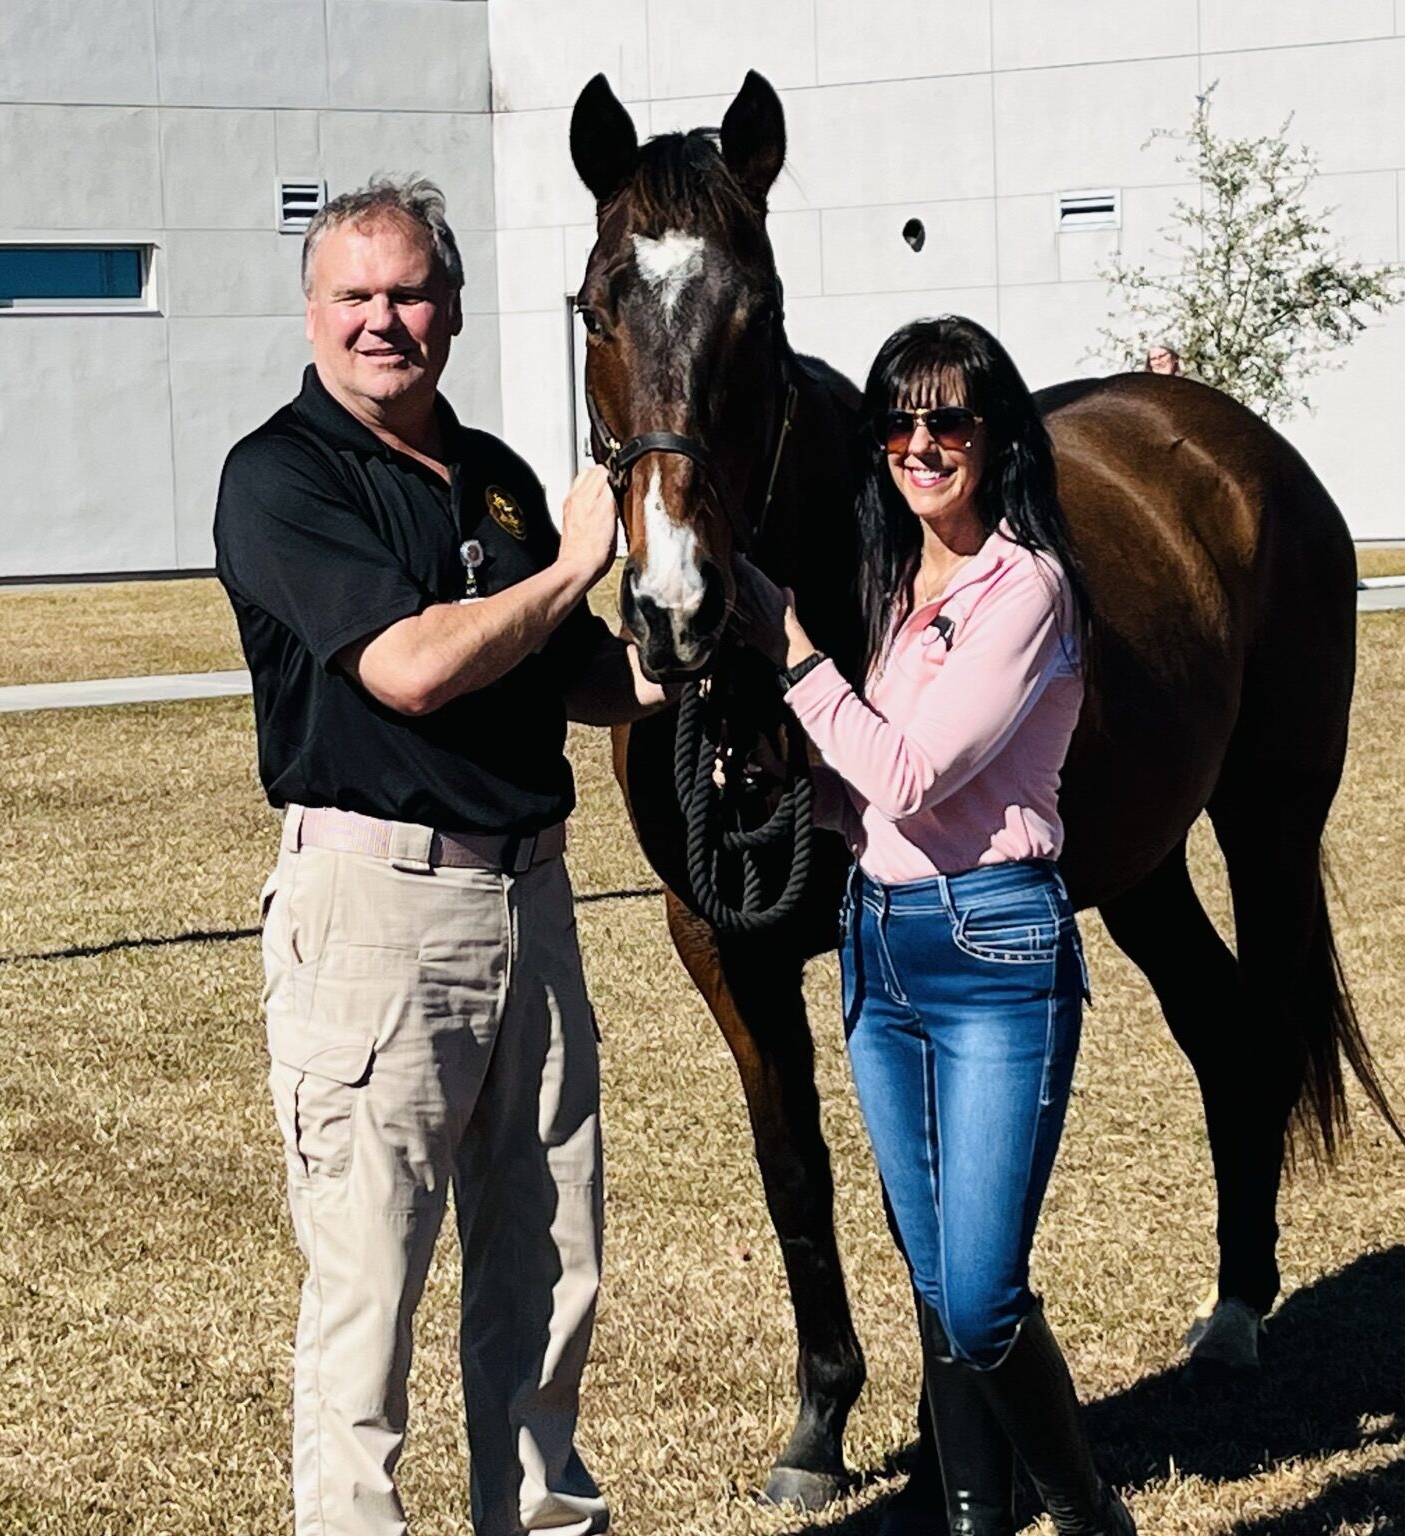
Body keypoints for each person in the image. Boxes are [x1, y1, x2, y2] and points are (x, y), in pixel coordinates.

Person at [214, 177, 665, 1536]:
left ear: (453, 308)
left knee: (547, 1269)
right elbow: (410, 668)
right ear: (312, 311)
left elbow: (582, 676)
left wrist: (710, 648)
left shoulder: (498, 479)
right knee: (371, 1293)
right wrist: (566, 572)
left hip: (529, 902)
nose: (383, 321)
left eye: (408, 292)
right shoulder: (282, 478)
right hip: (375, 914)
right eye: (354, 296)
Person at [732, 315, 1134, 1536]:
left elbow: (911, 773)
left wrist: (794, 655)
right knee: (931, 1276)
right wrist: (778, 780)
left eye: (948, 419)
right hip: (882, 950)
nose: (920, 443)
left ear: (995, 433)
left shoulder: (1028, 588)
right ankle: (973, 1520)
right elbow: (867, 802)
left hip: (994, 950)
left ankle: (1088, 1517)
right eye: (897, 422)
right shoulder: (899, 589)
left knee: (976, 1296)